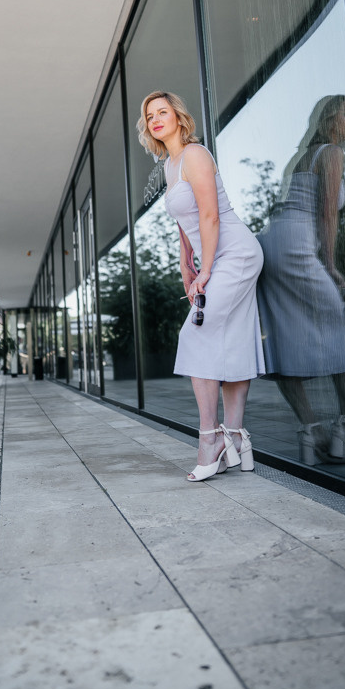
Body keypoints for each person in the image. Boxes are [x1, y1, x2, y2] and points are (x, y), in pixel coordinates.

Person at [137, 91, 265, 481]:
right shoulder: (171, 164)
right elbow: (185, 226)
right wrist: (186, 266)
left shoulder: (194, 154)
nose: (157, 119)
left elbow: (210, 215)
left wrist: (206, 269)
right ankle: (237, 438)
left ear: (178, 116)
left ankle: (209, 439)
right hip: (213, 258)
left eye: (163, 111)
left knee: (195, 335)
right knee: (232, 342)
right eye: (150, 115)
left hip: (235, 254)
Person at [256, 95, 345, 466]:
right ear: (329, 118)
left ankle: (312, 431)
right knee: (343, 326)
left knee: (284, 338)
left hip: (272, 245)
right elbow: (327, 214)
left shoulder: (301, 156)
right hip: (296, 246)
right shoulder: (330, 152)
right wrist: (331, 264)